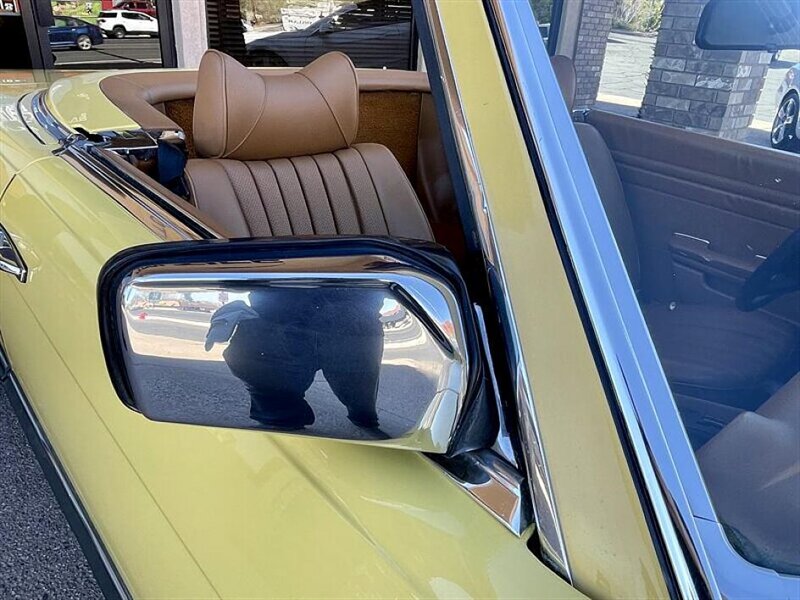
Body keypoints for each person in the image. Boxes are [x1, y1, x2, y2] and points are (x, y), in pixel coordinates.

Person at [213, 286, 385, 430]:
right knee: (276, 407)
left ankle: (364, 417)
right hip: (285, 308)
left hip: (282, 307)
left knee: (362, 408)